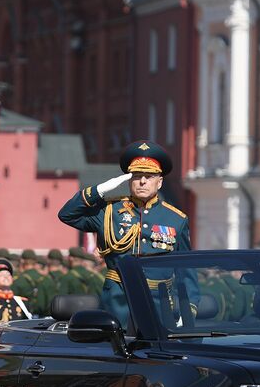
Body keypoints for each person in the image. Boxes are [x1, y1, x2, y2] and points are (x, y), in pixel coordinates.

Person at [57, 140, 191, 326]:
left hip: (159, 303)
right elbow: (67, 215)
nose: (142, 181)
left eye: (149, 176)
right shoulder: (109, 211)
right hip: (118, 300)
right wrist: (100, 190)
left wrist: (188, 308)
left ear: (159, 182)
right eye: (136, 176)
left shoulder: (176, 219)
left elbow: (185, 270)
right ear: (129, 180)